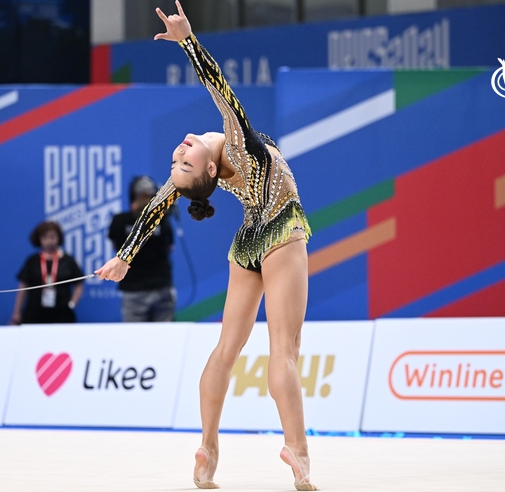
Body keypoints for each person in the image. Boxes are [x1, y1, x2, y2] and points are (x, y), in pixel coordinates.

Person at [95, 2, 317, 489]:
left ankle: (208, 447)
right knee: (284, 351)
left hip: (248, 244)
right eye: (183, 165)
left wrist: (124, 257)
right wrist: (189, 42)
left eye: (179, 162)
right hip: (280, 229)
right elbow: (223, 94)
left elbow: (155, 206)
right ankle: (297, 451)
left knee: (225, 351)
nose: (179, 154)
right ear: (212, 173)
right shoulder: (238, 148)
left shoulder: (219, 163)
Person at [109, 176, 177, 322]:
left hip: (161, 287)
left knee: (164, 338)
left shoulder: (162, 220)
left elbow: (170, 246)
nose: (147, 201)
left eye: (150, 196)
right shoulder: (120, 221)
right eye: (144, 196)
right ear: (134, 199)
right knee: (134, 340)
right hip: (133, 290)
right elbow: (115, 245)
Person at [11, 221, 84, 324]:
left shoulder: (68, 260)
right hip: (35, 313)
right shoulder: (32, 261)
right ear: (39, 239)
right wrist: (17, 312)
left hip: (62, 313)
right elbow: (23, 287)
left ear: (59, 238)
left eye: (52, 237)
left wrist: (72, 303)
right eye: (45, 237)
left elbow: (79, 283)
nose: (49, 241)